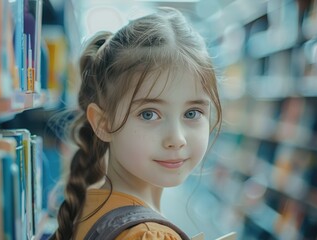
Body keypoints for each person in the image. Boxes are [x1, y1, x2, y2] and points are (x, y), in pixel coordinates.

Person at [50, 7, 222, 240]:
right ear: (103, 123)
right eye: (149, 114)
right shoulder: (147, 235)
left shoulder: (90, 204)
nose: (177, 139)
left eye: (192, 113)